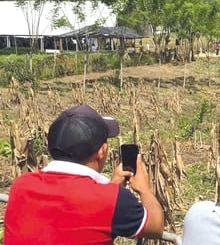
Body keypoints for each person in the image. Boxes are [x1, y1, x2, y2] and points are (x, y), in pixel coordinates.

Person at [4, 104, 164, 244]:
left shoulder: (22, 185)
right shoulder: (111, 199)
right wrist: (144, 189)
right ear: (102, 151)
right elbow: (156, 226)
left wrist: (111, 186)